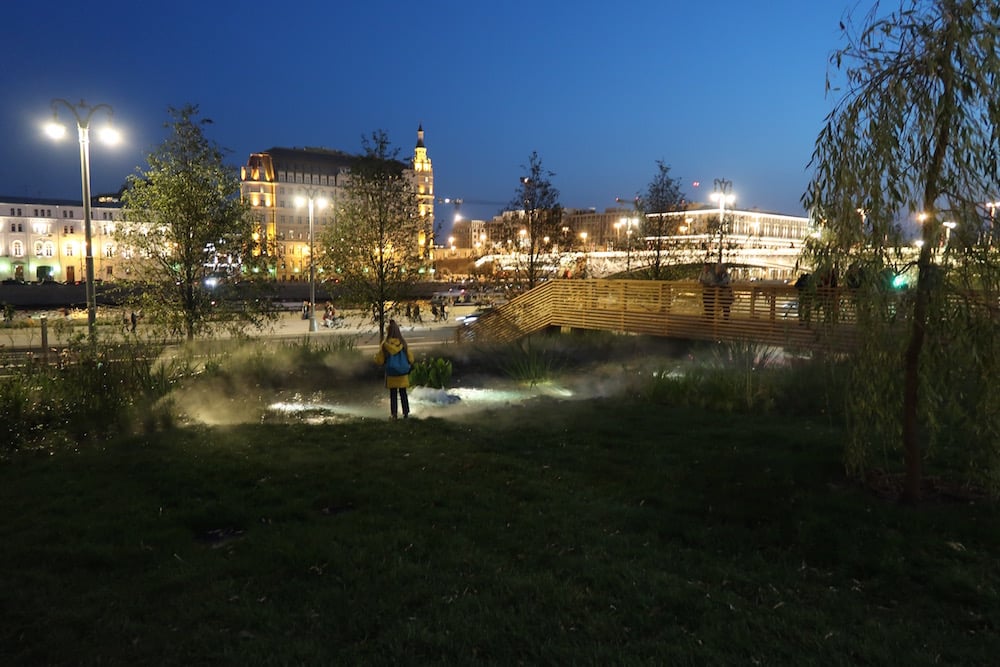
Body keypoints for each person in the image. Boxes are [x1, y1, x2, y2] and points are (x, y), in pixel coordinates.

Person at [374, 319, 414, 419]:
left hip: (391, 374)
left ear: (388, 332)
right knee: (403, 393)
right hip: (403, 374)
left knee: (393, 394)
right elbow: (411, 359)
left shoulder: (385, 345)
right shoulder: (403, 344)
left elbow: (380, 360)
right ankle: (406, 413)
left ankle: (394, 414)